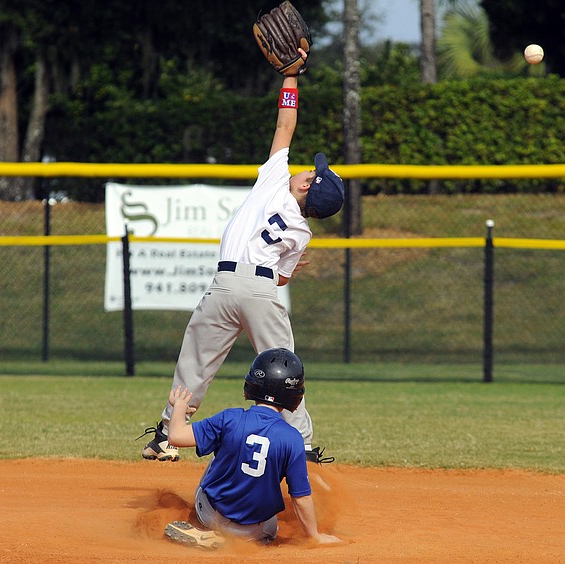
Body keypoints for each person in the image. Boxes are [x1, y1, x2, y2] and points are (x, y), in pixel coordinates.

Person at [139, 48, 344, 464]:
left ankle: (165, 433)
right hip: (261, 291)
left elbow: (285, 123)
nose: (306, 170)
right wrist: (284, 272)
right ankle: (300, 444)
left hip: (223, 286)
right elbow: (281, 281)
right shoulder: (302, 229)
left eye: (311, 173)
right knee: (285, 367)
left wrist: (291, 77)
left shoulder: (273, 181)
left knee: (195, 361)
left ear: (307, 188)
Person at [162, 348, 340, 548]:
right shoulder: (292, 438)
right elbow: (301, 498)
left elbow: (175, 436)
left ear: (252, 384)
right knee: (277, 482)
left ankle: (214, 532)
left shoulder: (229, 418)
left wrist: (178, 406)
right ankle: (245, 541)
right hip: (257, 529)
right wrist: (314, 536)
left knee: (221, 452)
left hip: (210, 515)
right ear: (295, 394)